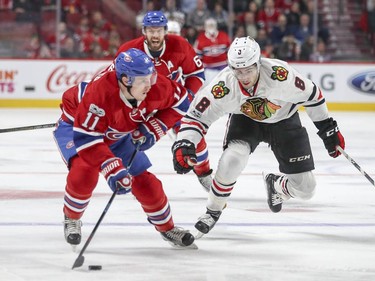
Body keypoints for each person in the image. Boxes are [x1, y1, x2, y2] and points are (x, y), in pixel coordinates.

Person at [171, 36, 345, 237]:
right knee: (232, 160)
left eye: (248, 70)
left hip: (284, 120)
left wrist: (328, 130)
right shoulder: (223, 86)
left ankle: (277, 185)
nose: (243, 76)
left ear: (258, 63)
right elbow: (195, 118)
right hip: (246, 121)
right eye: (237, 70)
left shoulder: (281, 75)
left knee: (307, 189)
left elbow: (313, 95)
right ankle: (213, 210)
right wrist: (184, 142)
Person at [53, 48, 196, 249]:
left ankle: (167, 228)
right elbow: (88, 138)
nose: (150, 84)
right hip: (80, 129)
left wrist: (155, 126)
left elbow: (182, 101)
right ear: (126, 80)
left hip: (117, 133)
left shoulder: (156, 86)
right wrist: (111, 167)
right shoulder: (99, 95)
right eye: (142, 80)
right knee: (84, 172)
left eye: (151, 77)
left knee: (147, 184)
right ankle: (72, 218)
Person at [114, 11, 212, 192]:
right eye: (151, 30)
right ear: (144, 31)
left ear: (165, 31)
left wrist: (188, 96)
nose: (155, 35)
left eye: (159, 30)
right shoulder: (128, 51)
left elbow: (196, 74)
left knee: (194, 137)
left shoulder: (180, 45)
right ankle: (123, 173)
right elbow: (115, 83)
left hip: (173, 102)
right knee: (125, 136)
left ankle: (204, 172)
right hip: (140, 103)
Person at [194, 18, 231, 83]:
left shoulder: (224, 36)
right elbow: (197, 57)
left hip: (224, 68)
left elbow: (230, 52)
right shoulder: (200, 39)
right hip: (209, 70)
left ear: (216, 26)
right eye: (209, 25)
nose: (211, 27)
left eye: (212, 25)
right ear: (205, 27)